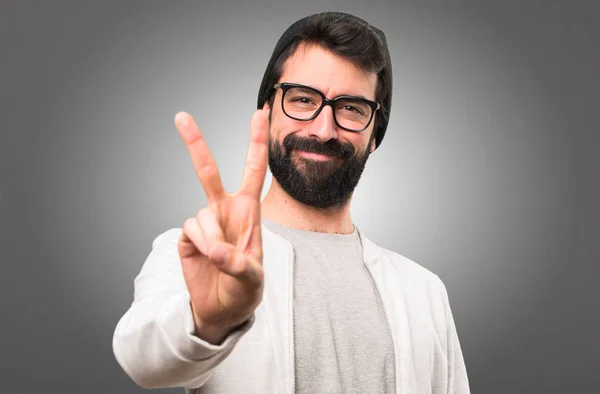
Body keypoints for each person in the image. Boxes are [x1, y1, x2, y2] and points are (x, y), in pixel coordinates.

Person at [112, 11, 470, 394]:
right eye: (302, 99)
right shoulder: (202, 253)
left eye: (351, 108)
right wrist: (210, 320)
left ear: (375, 135)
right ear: (265, 112)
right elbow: (142, 361)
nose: (323, 129)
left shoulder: (424, 291)